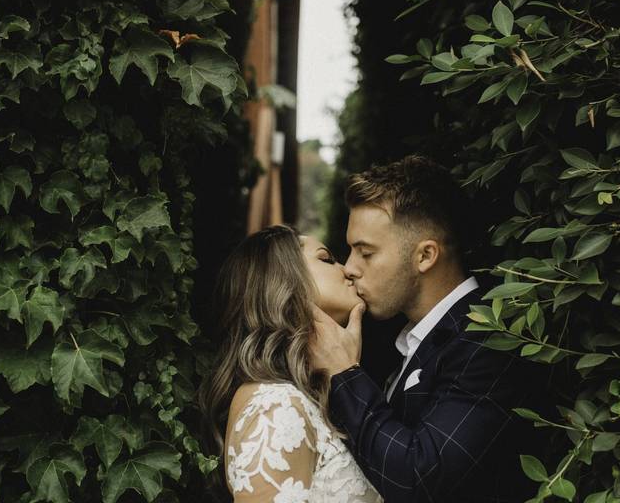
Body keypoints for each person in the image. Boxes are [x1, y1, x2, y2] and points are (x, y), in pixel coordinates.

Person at [309, 155, 535, 502]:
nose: (350, 268)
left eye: (365, 253)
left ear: (425, 256)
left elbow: (419, 480)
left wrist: (343, 373)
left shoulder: (490, 340)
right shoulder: (397, 337)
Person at [198, 224, 383, 502]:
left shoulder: (306, 398)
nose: (347, 269)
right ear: (283, 282)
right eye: (326, 259)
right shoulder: (275, 406)